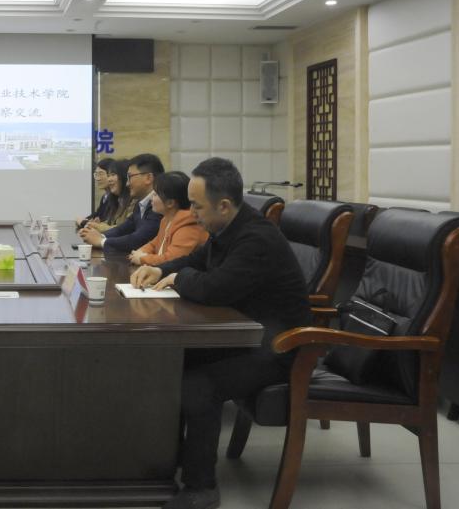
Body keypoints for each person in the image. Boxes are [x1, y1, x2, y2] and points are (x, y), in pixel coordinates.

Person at [130, 157, 311, 509]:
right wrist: (161, 270)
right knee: (167, 361)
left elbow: (214, 288)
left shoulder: (255, 238)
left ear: (223, 205)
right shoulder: (227, 228)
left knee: (200, 383)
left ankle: (201, 488)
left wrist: (178, 278)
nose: (192, 212)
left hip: (279, 348)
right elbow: (196, 261)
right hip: (245, 334)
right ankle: (168, 457)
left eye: (197, 206)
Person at [79, 153, 164, 252]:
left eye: (130, 177)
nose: (127, 183)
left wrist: (102, 241)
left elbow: (138, 240)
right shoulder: (141, 204)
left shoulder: (160, 205)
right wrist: (99, 236)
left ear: (148, 178)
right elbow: (122, 229)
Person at [127, 171, 207, 266]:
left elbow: (172, 260)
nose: (151, 197)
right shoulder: (166, 220)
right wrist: (140, 252)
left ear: (170, 203)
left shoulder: (188, 225)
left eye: (155, 194)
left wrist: (142, 259)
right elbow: (153, 244)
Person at [86, 159, 132, 233]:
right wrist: (95, 224)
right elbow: (109, 223)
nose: (109, 179)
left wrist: (98, 226)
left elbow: (126, 229)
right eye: (108, 175)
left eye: (113, 175)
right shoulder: (116, 200)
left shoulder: (133, 201)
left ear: (124, 177)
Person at [76, 157, 118, 229]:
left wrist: (84, 222)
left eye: (101, 174)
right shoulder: (105, 196)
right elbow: (96, 215)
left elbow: (108, 223)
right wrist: (86, 220)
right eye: (96, 174)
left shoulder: (117, 198)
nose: (98, 178)